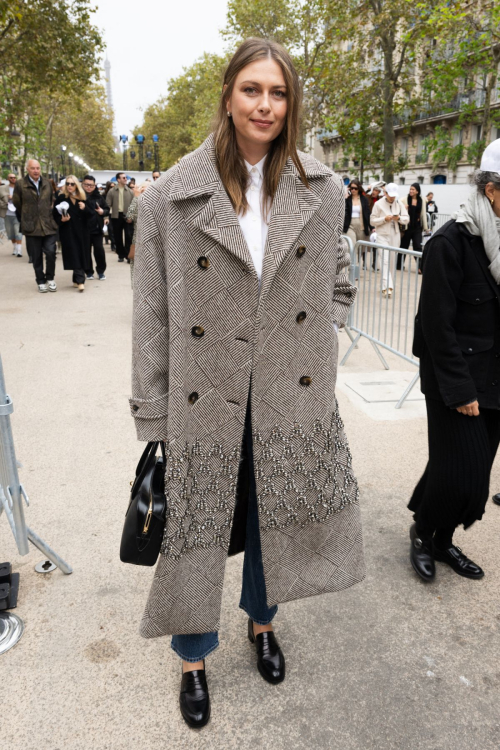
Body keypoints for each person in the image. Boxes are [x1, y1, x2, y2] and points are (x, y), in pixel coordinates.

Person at [130, 37, 364, 730]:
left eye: (279, 92)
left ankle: (263, 622)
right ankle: (193, 657)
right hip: (205, 395)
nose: (265, 105)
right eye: (252, 90)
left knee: (275, 518)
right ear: (229, 98)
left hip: (288, 394)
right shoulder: (171, 197)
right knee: (196, 529)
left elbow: (342, 285)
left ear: (292, 104)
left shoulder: (323, 192)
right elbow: (151, 316)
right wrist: (153, 415)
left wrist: (313, 342)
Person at [408, 138, 500, 583]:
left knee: (471, 467)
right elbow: (435, 327)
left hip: (496, 376)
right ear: (491, 189)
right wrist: (460, 391)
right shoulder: (449, 242)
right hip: (454, 378)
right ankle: (426, 534)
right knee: (462, 473)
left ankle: (440, 535)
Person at [13, 159, 58, 292]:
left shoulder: (47, 183)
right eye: (33, 168)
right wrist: (28, 215)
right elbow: (17, 203)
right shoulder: (20, 184)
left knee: (51, 252)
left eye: (38, 168)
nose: (36, 171)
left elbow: (50, 201)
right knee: (36, 256)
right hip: (31, 226)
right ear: (27, 169)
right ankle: (40, 280)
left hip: (48, 224)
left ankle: (50, 278)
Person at [370, 183, 409, 296]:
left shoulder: (399, 203)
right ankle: (387, 286)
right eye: (390, 195)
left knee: (392, 260)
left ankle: (387, 285)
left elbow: (406, 219)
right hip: (382, 234)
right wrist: (384, 219)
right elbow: (372, 221)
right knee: (384, 260)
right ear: (385, 193)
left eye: (394, 195)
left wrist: (399, 218)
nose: (392, 197)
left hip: (395, 234)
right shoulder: (378, 204)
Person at [53, 175, 91, 292]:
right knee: (74, 253)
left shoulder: (83, 198)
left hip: (82, 231)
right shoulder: (61, 198)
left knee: (81, 253)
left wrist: (85, 208)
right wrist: (61, 220)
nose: (69, 186)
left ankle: (75, 279)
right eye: (67, 184)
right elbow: (55, 215)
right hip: (68, 231)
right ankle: (80, 281)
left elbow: (91, 215)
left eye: (72, 184)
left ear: (76, 185)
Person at [82, 174, 109, 280]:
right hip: (84, 229)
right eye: (86, 185)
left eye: (91, 185)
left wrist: (103, 212)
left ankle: (101, 271)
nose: (89, 187)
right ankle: (88, 271)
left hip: (97, 229)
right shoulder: (79, 196)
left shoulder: (99, 197)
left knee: (99, 251)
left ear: (95, 185)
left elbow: (106, 209)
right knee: (86, 251)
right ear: (82, 184)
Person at [106, 172, 134, 262]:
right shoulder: (112, 191)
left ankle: (128, 255)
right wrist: (105, 217)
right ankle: (120, 254)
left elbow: (134, 205)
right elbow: (107, 205)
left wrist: (132, 216)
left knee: (128, 236)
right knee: (117, 236)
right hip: (116, 216)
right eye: (123, 178)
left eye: (126, 178)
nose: (125, 179)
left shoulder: (130, 191)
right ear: (118, 179)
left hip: (127, 216)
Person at [401, 183, 428, 266]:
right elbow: (398, 208)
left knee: (418, 246)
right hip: (407, 227)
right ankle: (399, 265)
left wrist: (426, 227)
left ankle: (420, 266)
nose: (411, 191)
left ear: (417, 191)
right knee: (403, 246)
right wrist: (403, 208)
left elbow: (423, 213)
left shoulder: (422, 200)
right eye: (410, 189)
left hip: (417, 227)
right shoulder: (404, 200)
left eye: (413, 189)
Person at [1, 173, 23, 256]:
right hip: (7, 214)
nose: (13, 179)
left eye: (14, 177)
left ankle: (19, 250)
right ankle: (15, 247)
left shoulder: (20, 189)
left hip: (17, 214)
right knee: (11, 233)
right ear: (8, 179)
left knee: (18, 232)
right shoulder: (2, 188)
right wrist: (6, 201)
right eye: (11, 177)